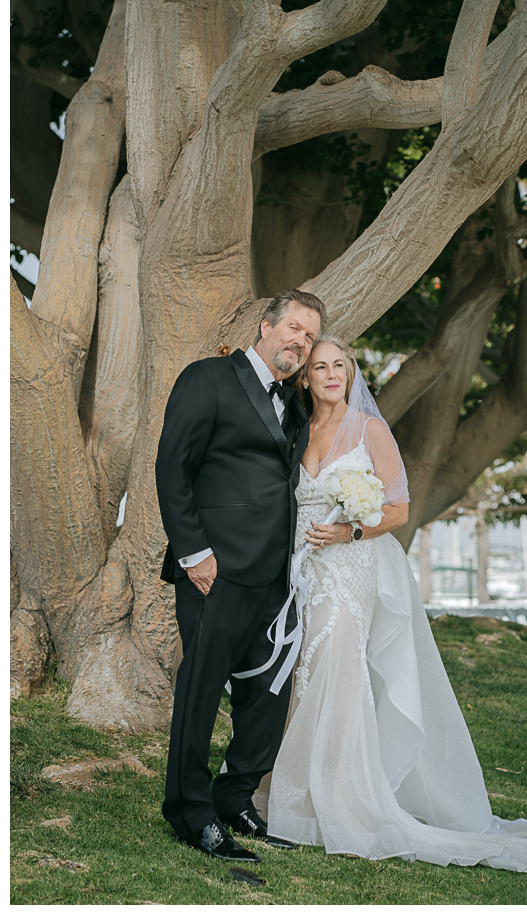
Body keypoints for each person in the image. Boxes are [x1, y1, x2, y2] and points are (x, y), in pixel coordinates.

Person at [266, 337, 527, 872]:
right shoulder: (297, 429)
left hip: (350, 567)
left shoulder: (370, 430)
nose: (332, 374)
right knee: (303, 673)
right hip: (302, 571)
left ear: (350, 373)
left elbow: (399, 509)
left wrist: (349, 529)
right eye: (321, 367)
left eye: (340, 365)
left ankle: (343, 799)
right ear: (306, 378)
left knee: (338, 666)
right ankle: (296, 793)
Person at [155, 289, 325, 862]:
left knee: (267, 698)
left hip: (275, 575)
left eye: (309, 335)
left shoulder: (296, 402)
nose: (300, 341)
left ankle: (234, 796)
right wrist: (194, 555)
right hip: (215, 573)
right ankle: (190, 811)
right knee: (201, 692)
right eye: (294, 328)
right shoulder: (208, 378)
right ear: (266, 325)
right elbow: (172, 467)